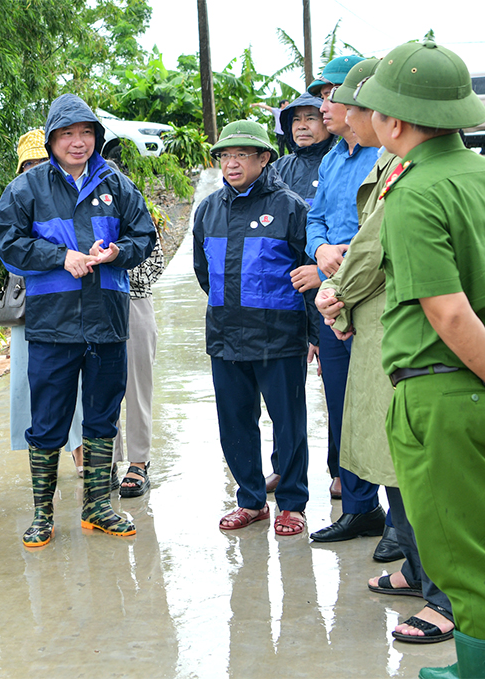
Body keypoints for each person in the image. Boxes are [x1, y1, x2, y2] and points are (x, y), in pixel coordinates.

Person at [358, 40, 485, 678]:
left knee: (464, 561)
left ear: (395, 121)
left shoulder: (414, 192)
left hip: (444, 392)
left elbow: (449, 312)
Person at [316, 59, 454, 644]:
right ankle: (420, 573)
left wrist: (336, 298)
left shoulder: (408, 175)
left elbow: (370, 252)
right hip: (381, 333)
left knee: (417, 468)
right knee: (389, 452)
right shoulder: (380, 163)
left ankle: (442, 596)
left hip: (402, 336)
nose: (344, 111)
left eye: (354, 103)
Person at [0, 93, 155, 548]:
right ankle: (43, 513)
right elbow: (7, 242)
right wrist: (60, 257)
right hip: (53, 322)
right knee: (47, 419)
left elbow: (143, 233)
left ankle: (97, 506)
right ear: (51, 140)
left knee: (103, 415)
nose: (78, 142)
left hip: (106, 319)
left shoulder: (116, 184)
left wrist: (119, 252)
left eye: (86, 133)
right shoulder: (27, 189)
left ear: (97, 138)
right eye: (68, 134)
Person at [192, 120, 317, 537]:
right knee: (235, 421)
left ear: (264, 159)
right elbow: (203, 272)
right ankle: (250, 501)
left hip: (279, 334)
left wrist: (312, 333)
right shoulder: (208, 209)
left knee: (288, 422)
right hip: (226, 334)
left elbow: (306, 272)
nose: (231, 163)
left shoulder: (290, 206)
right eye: (225, 155)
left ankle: (292, 504)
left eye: (242, 155)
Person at [294, 56, 387, 545]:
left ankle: (401, 524)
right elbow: (315, 220)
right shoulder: (332, 159)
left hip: (367, 294)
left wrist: (341, 255)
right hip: (330, 296)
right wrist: (321, 248)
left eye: (329, 94)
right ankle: (360, 508)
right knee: (344, 405)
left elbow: (379, 229)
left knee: (382, 406)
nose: (321, 105)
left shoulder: (383, 156)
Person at [266, 90, 338, 498]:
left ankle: (343, 470)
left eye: (312, 117)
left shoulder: (340, 163)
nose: (303, 126)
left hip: (330, 288)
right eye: (295, 120)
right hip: (290, 295)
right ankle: (285, 466)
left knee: (338, 390)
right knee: (285, 394)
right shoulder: (279, 169)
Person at [7, 130, 87, 475]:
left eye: (42, 162)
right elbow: (12, 252)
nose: (37, 170)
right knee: (32, 386)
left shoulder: (76, 195)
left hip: (75, 309)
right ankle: (43, 468)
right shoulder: (16, 200)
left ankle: (83, 455)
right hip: (33, 312)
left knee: (80, 387)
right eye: (30, 165)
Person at [112, 210, 164, 498]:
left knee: (138, 388)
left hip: (134, 303)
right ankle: (106, 460)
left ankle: (138, 463)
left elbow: (154, 265)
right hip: (92, 308)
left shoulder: (136, 216)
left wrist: (112, 261)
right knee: (99, 389)